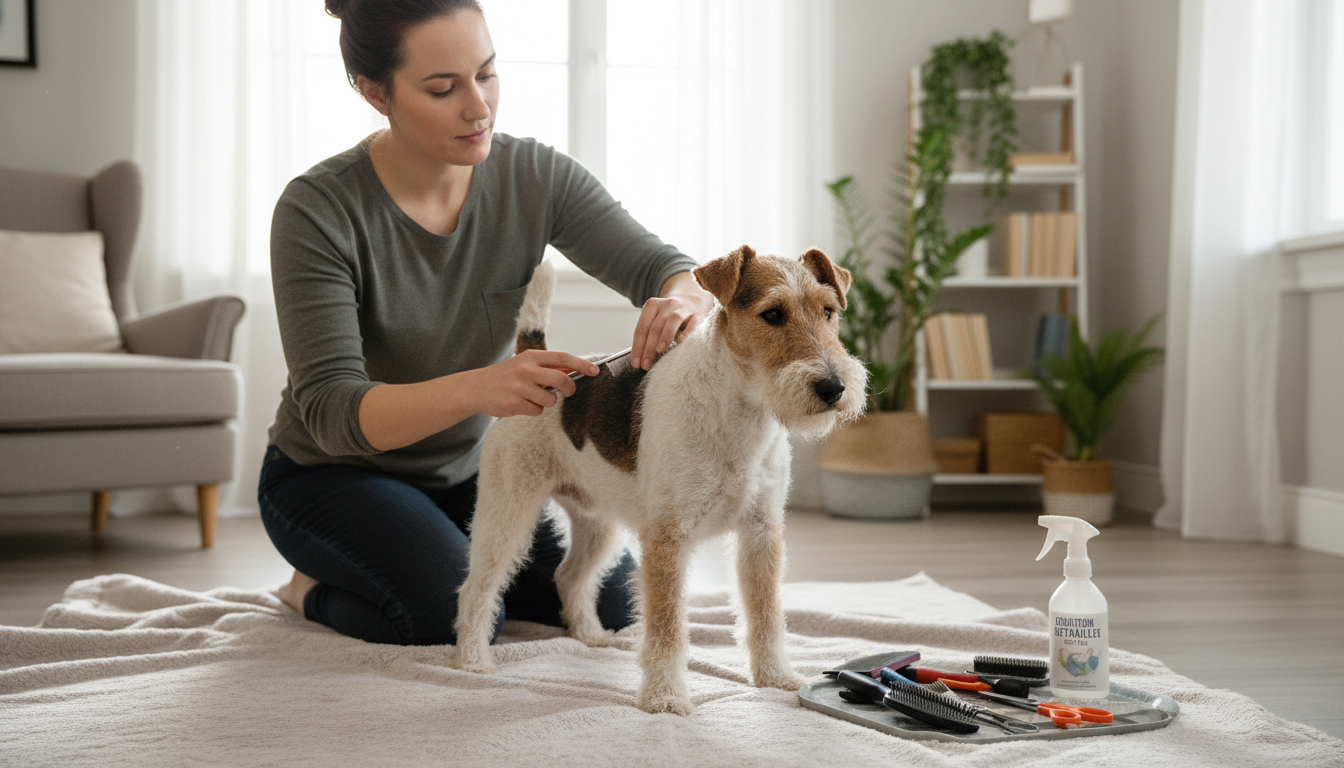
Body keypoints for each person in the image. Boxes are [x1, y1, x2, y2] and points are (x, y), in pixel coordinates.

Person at [259, 0, 714, 646]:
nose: (479, 107)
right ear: (373, 91)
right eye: (443, 88)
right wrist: (484, 387)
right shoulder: (318, 212)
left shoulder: (535, 176)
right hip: (330, 476)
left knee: (612, 605)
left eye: (488, 74)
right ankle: (307, 588)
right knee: (446, 615)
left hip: (466, 474)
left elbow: (666, 267)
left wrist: (684, 300)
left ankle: (420, 547)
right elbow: (334, 413)